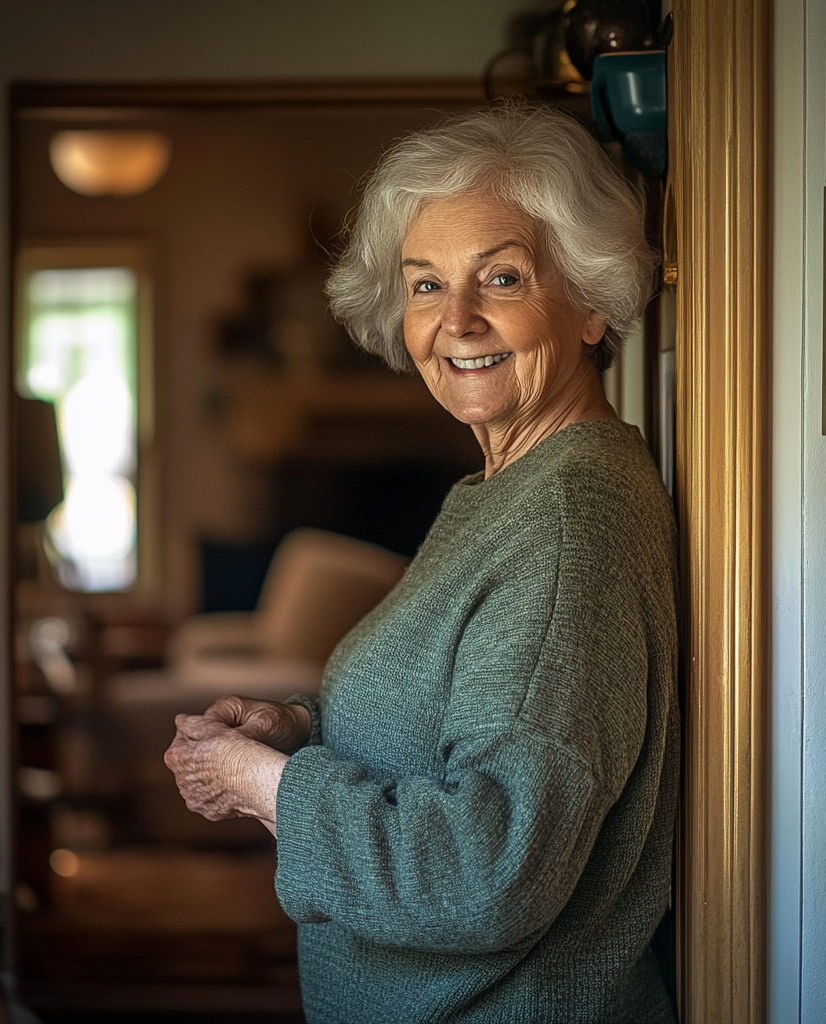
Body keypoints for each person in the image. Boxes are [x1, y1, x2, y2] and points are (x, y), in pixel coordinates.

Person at [165, 102, 679, 1024]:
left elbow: (489, 870)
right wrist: (299, 727)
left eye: (504, 277)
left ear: (595, 300)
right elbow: (465, 715)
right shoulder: (503, 491)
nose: (459, 322)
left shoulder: (568, 528)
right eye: (427, 285)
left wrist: (267, 787)